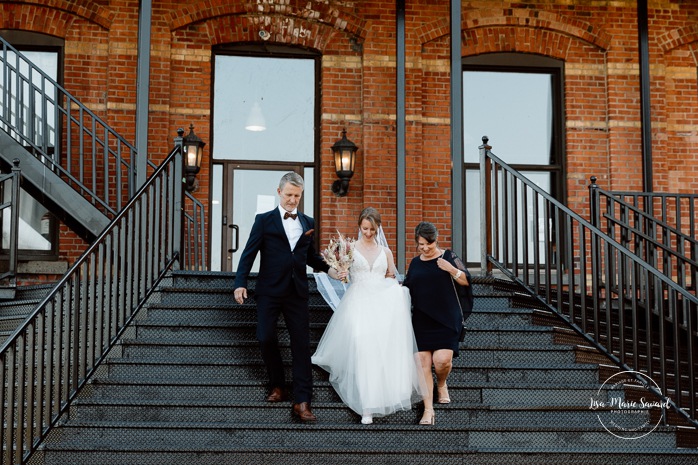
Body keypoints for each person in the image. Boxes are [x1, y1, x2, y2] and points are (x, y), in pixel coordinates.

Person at [233, 172, 341, 423]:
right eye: (289, 194)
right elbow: (248, 253)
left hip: (297, 292)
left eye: (297, 196)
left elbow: (311, 257)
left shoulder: (308, 221)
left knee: (301, 347)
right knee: (265, 336)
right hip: (269, 290)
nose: (293, 200)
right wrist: (240, 283)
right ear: (279, 192)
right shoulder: (264, 220)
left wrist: (332, 270)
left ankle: (302, 401)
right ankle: (277, 384)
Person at [312, 207, 426, 425]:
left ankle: (376, 401)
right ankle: (366, 406)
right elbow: (338, 272)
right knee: (363, 349)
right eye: (364, 228)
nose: (368, 233)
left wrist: (396, 291)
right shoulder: (349, 249)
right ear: (359, 226)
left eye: (372, 229)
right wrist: (340, 273)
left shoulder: (386, 252)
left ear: (377, 228)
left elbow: (392, 276)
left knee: (378, 353)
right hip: (359, 302)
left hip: (382, 305)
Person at [402, 221, 470, 426]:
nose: (424, 248)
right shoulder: (415, 263)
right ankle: (428, 409)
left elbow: (466, 280)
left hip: (447, 320)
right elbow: (408, 287)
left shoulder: (449, 256)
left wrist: (450, 269)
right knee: (422, 362)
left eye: (428, 244)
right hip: (422, 320)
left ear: (435, 240)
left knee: (441, 361)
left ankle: (441, 383)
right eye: (420, 244)